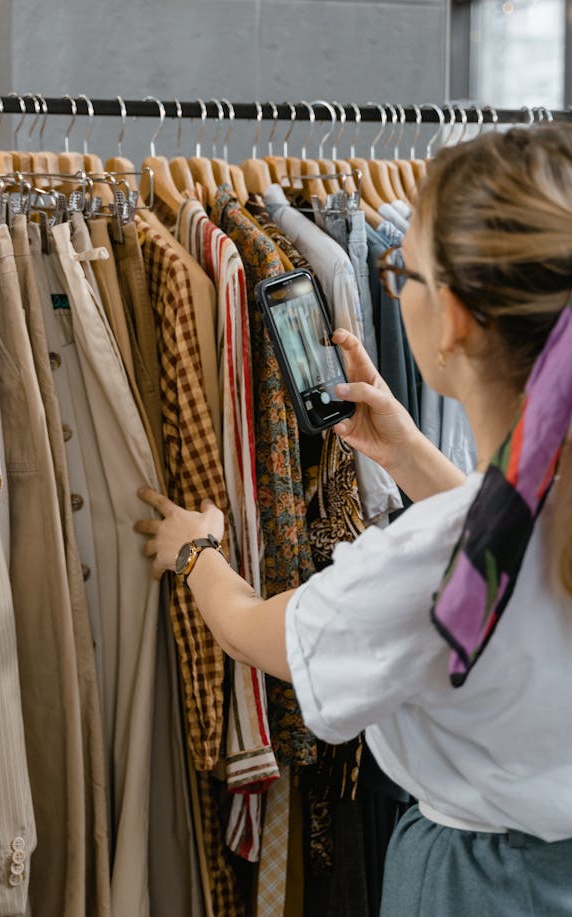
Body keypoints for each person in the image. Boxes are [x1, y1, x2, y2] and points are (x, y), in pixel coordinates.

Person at [134, 124, 572, 916]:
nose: (390, 281)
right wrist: (406, 455)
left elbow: (254, 631)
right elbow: (496, 540)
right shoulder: (538, 508)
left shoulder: (422, 563)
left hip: (480, 883)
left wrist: (195, 549)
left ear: (455, 320)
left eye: (401, 270)